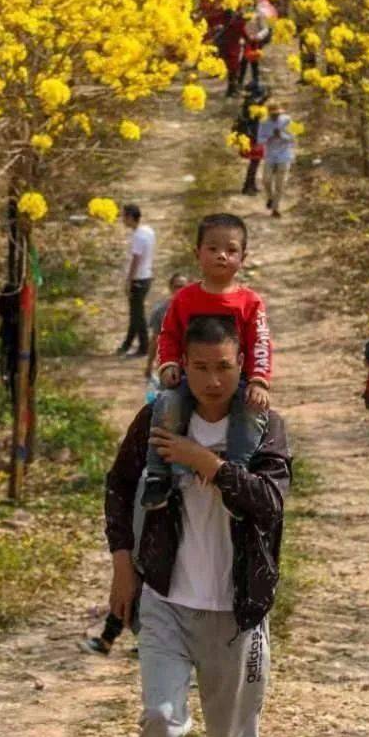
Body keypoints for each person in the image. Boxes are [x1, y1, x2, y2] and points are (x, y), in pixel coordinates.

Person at [105, 314, 292, 737]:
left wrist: (205, 462)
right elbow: (118, 484)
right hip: (166, 598)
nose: (213, 381)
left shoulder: (264, 427)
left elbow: (269, 504)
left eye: (225, 368)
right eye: (201, 368)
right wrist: (122, 564)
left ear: (244, 367)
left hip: (238, 609)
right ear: (182, 366)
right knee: (160, 719)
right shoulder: (160, 417)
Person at [141, 213, 271, 510]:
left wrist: (258, 380)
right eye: (213, 248)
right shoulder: (185, 299)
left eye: (231, 250)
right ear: (197, 253)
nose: (222, 256)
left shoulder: (250, 302)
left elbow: (261, 344)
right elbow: (169, 335)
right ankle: (158, 476)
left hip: (238, 384)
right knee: (167, 404)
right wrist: (169, 364)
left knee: (251, 413)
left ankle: (236, 476)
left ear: (243, 256)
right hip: (189, 380)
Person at [116, 204, 156, 359]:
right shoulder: (148, 231)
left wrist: (129, 280)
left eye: (124, 216)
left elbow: (136, 259)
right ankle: (127, 344)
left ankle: (144, 346)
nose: (123, 220)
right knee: (134, 313)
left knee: (138, 315)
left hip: (138, 279)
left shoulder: (138, 236)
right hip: (146, 276)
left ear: (131, 217)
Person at [145, 272, 189, 384]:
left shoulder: (199, 309)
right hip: (170, 364)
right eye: (177, 286)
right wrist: (149, 365)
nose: (180, 290)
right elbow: (155, 339)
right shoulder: (161, 311)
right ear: (170, 288)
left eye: (184, 286)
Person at [258, 100, 296, 218]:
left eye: (277, 114)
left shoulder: (287, 120)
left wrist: (282, 136)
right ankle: (270, 198)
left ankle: (276, 208)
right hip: (270, 155)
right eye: (273, 114)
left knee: (280, 184)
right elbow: (260, 139)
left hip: (284, 155)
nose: (275, 116)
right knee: (266, 180)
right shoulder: (264, 122)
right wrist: (270, 136)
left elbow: (293, 137)